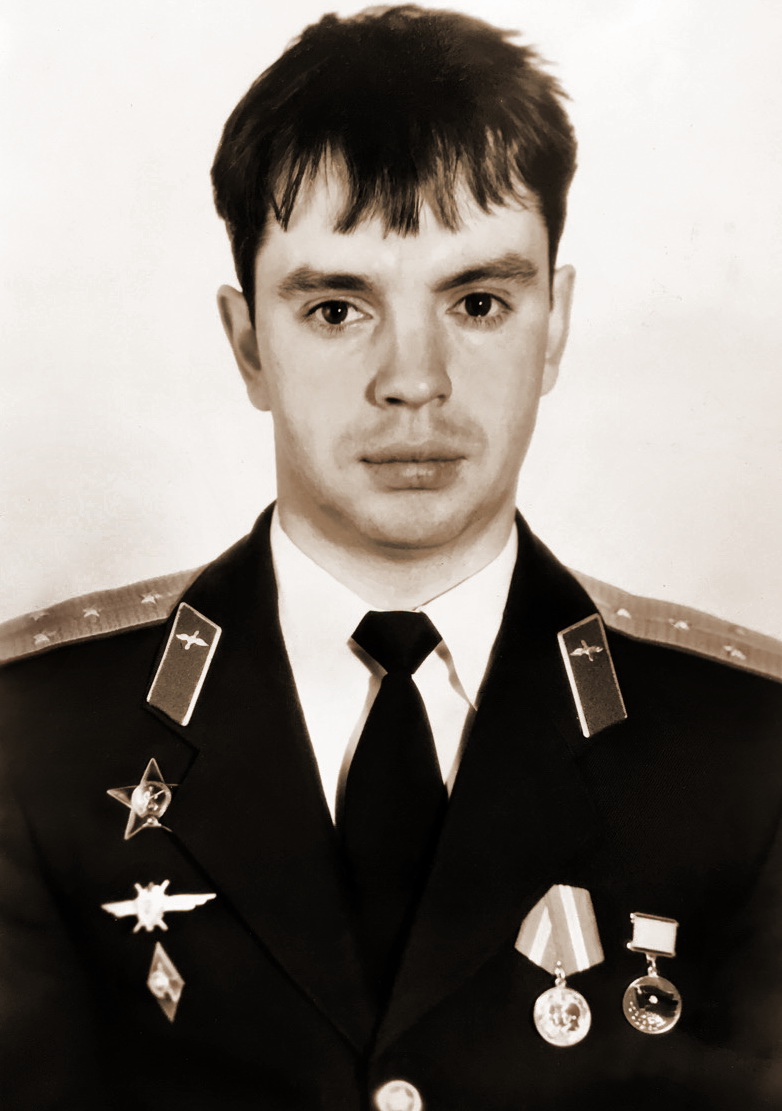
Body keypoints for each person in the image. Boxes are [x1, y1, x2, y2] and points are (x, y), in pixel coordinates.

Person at [1, 6, 781, 1110]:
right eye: (335, 308)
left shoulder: (749, 749)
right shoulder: (31, 741)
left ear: (554, 324)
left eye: (478, 302)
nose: (413, 381)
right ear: (247, 343)